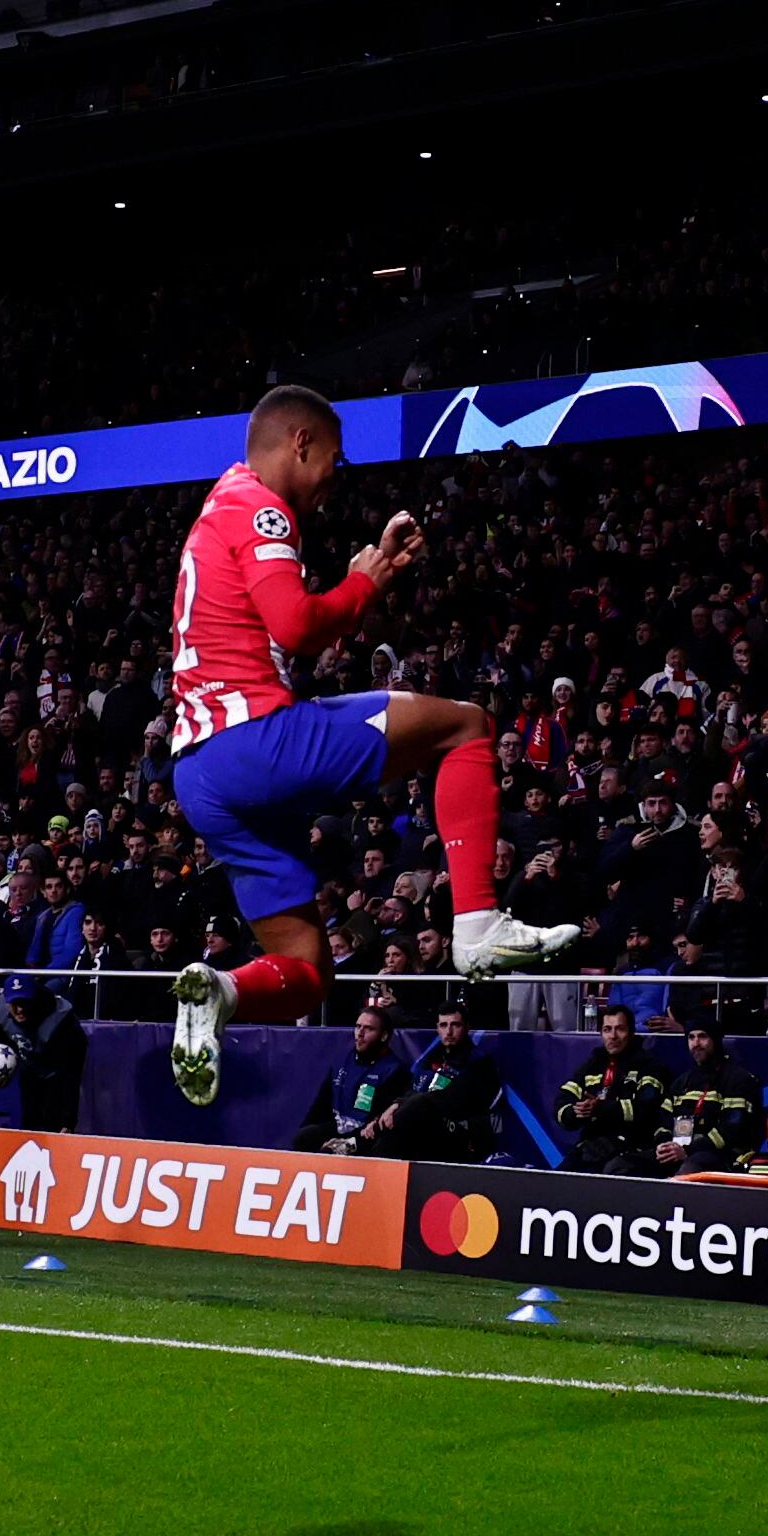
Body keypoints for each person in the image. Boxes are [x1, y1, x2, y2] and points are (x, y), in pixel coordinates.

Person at [160, 386, 577, 1100]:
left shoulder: (218, 509)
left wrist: (366, 579)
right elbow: (295, 624)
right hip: (254, 741)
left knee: (306, 970)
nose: (334, 475)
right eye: (332, 458)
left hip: (199, 774)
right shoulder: (262, 507)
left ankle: (219, 993)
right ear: (300, 443)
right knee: (467, 723)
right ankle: (476, 919)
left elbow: (279, 629)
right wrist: (364, 582)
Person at [359, 1004, 498, 1161]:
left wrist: (398, 1106)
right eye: (444, 1025)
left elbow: (450, 1100)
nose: (449, 1031)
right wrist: (383, 1115)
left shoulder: (479, 1062)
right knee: (403, 1120)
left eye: (455, 1025)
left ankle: (367, 1156)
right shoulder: (431, 1058)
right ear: (437, 1028)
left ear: (467, 1027)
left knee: (421, 1103)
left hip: (465, 1136)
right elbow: (412, 1090)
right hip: (426, 1128)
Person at [552, 1003, 669, 1173]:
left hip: (632, 1147)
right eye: (607, 1029)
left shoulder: (649, 1066)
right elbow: (561, 1103)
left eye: (620, 1029)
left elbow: (647, 1110)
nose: (613, 1036)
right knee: (559, 1177)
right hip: (591, 1145)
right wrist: (576, 1111)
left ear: (631, 1033)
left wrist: (602, 1108)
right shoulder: (593, 1064)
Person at [297, 1009, 408, 1154]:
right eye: (358, 1027)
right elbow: (319, 1107)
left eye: (369, 1029)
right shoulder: (342, 1062)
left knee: (333, 1151)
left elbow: (380, 1123)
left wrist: (348, 1142)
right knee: (303, 1137)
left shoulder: (394, 1071)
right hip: (336, 1129)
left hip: (365, 1137)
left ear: (384, 1036)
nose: (360, 1033)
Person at [659, 1023, 764, 1174]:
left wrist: (688, 1151)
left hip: (721, 1156)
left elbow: (732, 1130)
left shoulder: (739, 1079)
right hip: (679, 1152)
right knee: (625, 1164)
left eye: (702, 1036)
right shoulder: (681, 1082)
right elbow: (663, 1121)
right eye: (691, 1037)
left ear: (715, 1039)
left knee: (692, 1167)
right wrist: (664, 1146)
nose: (696, 1043)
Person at [0, 979, 87, 1133]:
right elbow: (0, 1044)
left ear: (33, 1000)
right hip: (30, 1065)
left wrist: (68, 1120)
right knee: (29, 1122)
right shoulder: (1, 1010)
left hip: (57, 1067)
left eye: (24, 1002)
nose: (20, 1009)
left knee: (53, 1123)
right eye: (14, 1003)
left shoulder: (61, 1021)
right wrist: (1, 1071)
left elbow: (71, 1073)